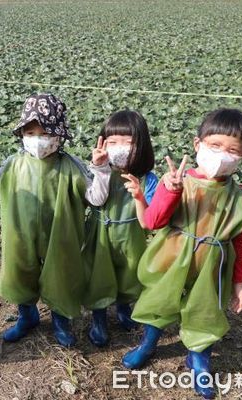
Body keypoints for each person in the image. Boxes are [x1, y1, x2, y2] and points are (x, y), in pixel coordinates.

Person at [122, 109, 242, 399]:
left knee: (205, 311)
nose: (222, 155)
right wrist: (170, 191)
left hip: (213, 265)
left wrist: (239, 281)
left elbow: (238, 239)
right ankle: (148, 343)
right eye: (215, 146)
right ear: (198, 145)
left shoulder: (239, 196)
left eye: (233, 150)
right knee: (159, 301)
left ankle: (199, 359)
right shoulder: (180, 182)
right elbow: (154, 222)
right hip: (172, 257)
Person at [0, 93, 111, 347]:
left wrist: (101, 169)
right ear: (22, 135)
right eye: (30, 133)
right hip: (20, 236)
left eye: (44, 133)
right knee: (20, 274)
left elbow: (97, 198)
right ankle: (27, 318)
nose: (37, 140)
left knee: (60, 278)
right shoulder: (13, 164)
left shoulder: (70, 166)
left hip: (59, 238)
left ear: (58, 136)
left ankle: (61, 323)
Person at [82, 110, 158, 347]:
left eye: (128, 142)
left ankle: (124, 309)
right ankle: (99, 318)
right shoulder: (95, 170)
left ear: (142, 145)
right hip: (100, 235)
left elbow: (153, 215)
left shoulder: (148, 178)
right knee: (99, 275)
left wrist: (139, 196)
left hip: (132, 236)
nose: (120, 148)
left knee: (129, 273)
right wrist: (99, 168)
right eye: (113, 142)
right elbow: (91, 198)